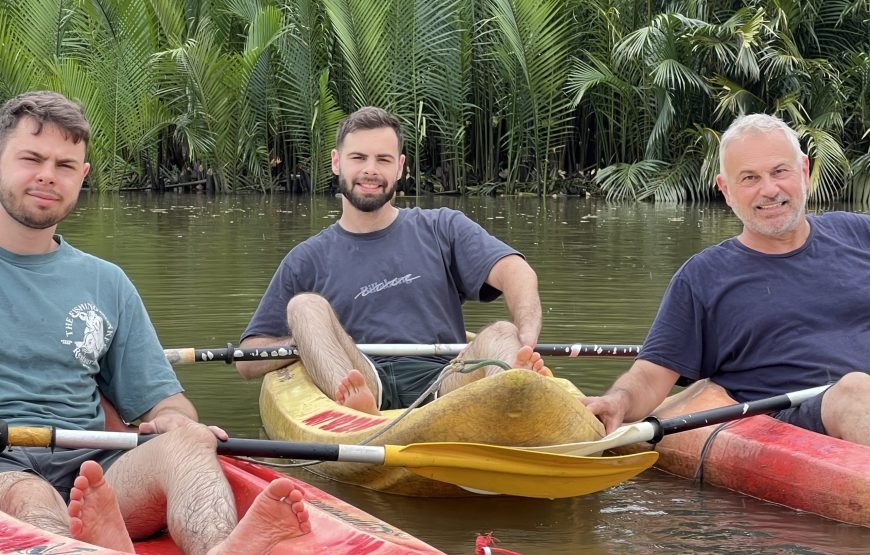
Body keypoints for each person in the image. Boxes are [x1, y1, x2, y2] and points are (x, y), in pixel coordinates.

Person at [0, 91, 311, 553]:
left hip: (97, 468)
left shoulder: (107, 282)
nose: (48, 175)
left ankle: (220, 548)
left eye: (65, 165)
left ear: (82, 177)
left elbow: (166, 403)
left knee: (188, 439)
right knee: (32, 496)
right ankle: (94, 544)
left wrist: (171, 421)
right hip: (7, 470)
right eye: (31, 158)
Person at [581, 113, 870, 447]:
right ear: (726, 190)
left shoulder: (860, 234)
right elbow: (649, 377)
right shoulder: (703, 277)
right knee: (855, 392)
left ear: (804, 172)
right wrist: (617, 402)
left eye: (779, 172)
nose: (769, 189)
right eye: (750, 178)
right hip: (799, 421)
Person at [237, 106, 548, 414]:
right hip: (362, 377)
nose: (370, 170)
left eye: (383, 160)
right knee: (303, 306)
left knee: (502, 333)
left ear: (400, 167)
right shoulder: (305, 259)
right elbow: (247, 361)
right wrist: (311, 341)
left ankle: (515, 399)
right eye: (358, 158)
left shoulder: (443, 227)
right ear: (336, 162)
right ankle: (357, 411)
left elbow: (515, 271)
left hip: (447, 380)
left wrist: (527, 337)